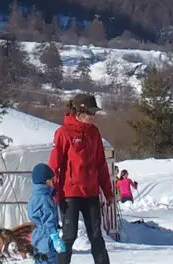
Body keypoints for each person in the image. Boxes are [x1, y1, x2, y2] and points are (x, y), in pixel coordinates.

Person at [48, 93, 114, 264]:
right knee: (69, 236)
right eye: (90, 113)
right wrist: (52, 192)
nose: (93, 117)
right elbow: (54, 164)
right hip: (70, 193)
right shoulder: (63, 133)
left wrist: (108, 192)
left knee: (96, 236)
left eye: (95, 113)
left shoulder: (94, 133)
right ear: (79, 112)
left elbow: (101, 164)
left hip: (91, 192)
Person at [29, 163, 66, 264]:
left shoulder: (34, 197)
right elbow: (48, 219)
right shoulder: (45, 200)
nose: (53, 184)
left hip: (37, 238)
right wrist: (55, 237)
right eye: (52, 181)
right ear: (46, 182)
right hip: (47, 239)